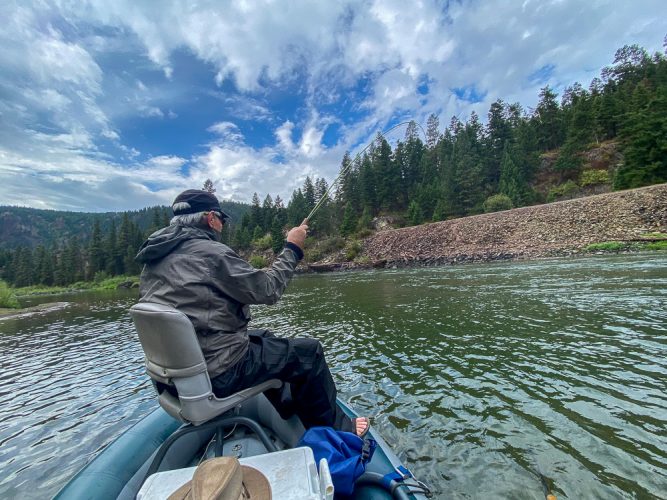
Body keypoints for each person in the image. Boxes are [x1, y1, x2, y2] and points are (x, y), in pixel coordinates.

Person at [135, 189, 368, 437]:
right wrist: (292, 247)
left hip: (173, 378)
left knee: (265, 336)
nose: (222, 225)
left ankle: (289, 405)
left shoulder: (154, 259)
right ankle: (342, 432)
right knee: (309, 353)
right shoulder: (211, 253)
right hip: (220, 374)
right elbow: (268, 290)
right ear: (211, 218)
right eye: (222, 219)